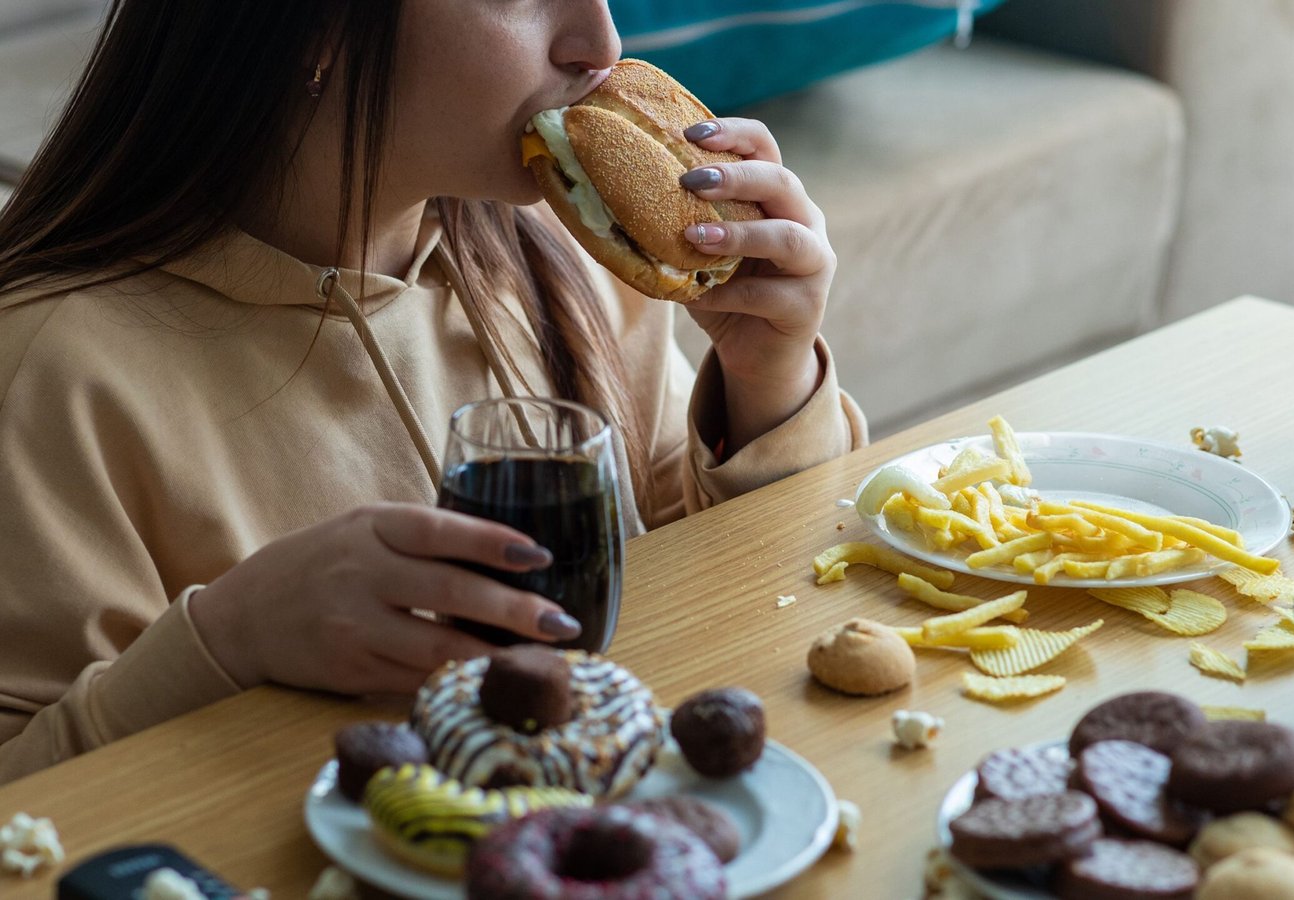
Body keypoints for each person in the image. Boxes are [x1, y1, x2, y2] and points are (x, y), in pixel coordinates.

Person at [0, 0, 866, 784]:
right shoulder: (50, 371)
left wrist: (768, 382)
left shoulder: (566, 252)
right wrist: (227, 640)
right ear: (318, 29)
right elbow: (23, 806)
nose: (599, 44)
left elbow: (741, 608)